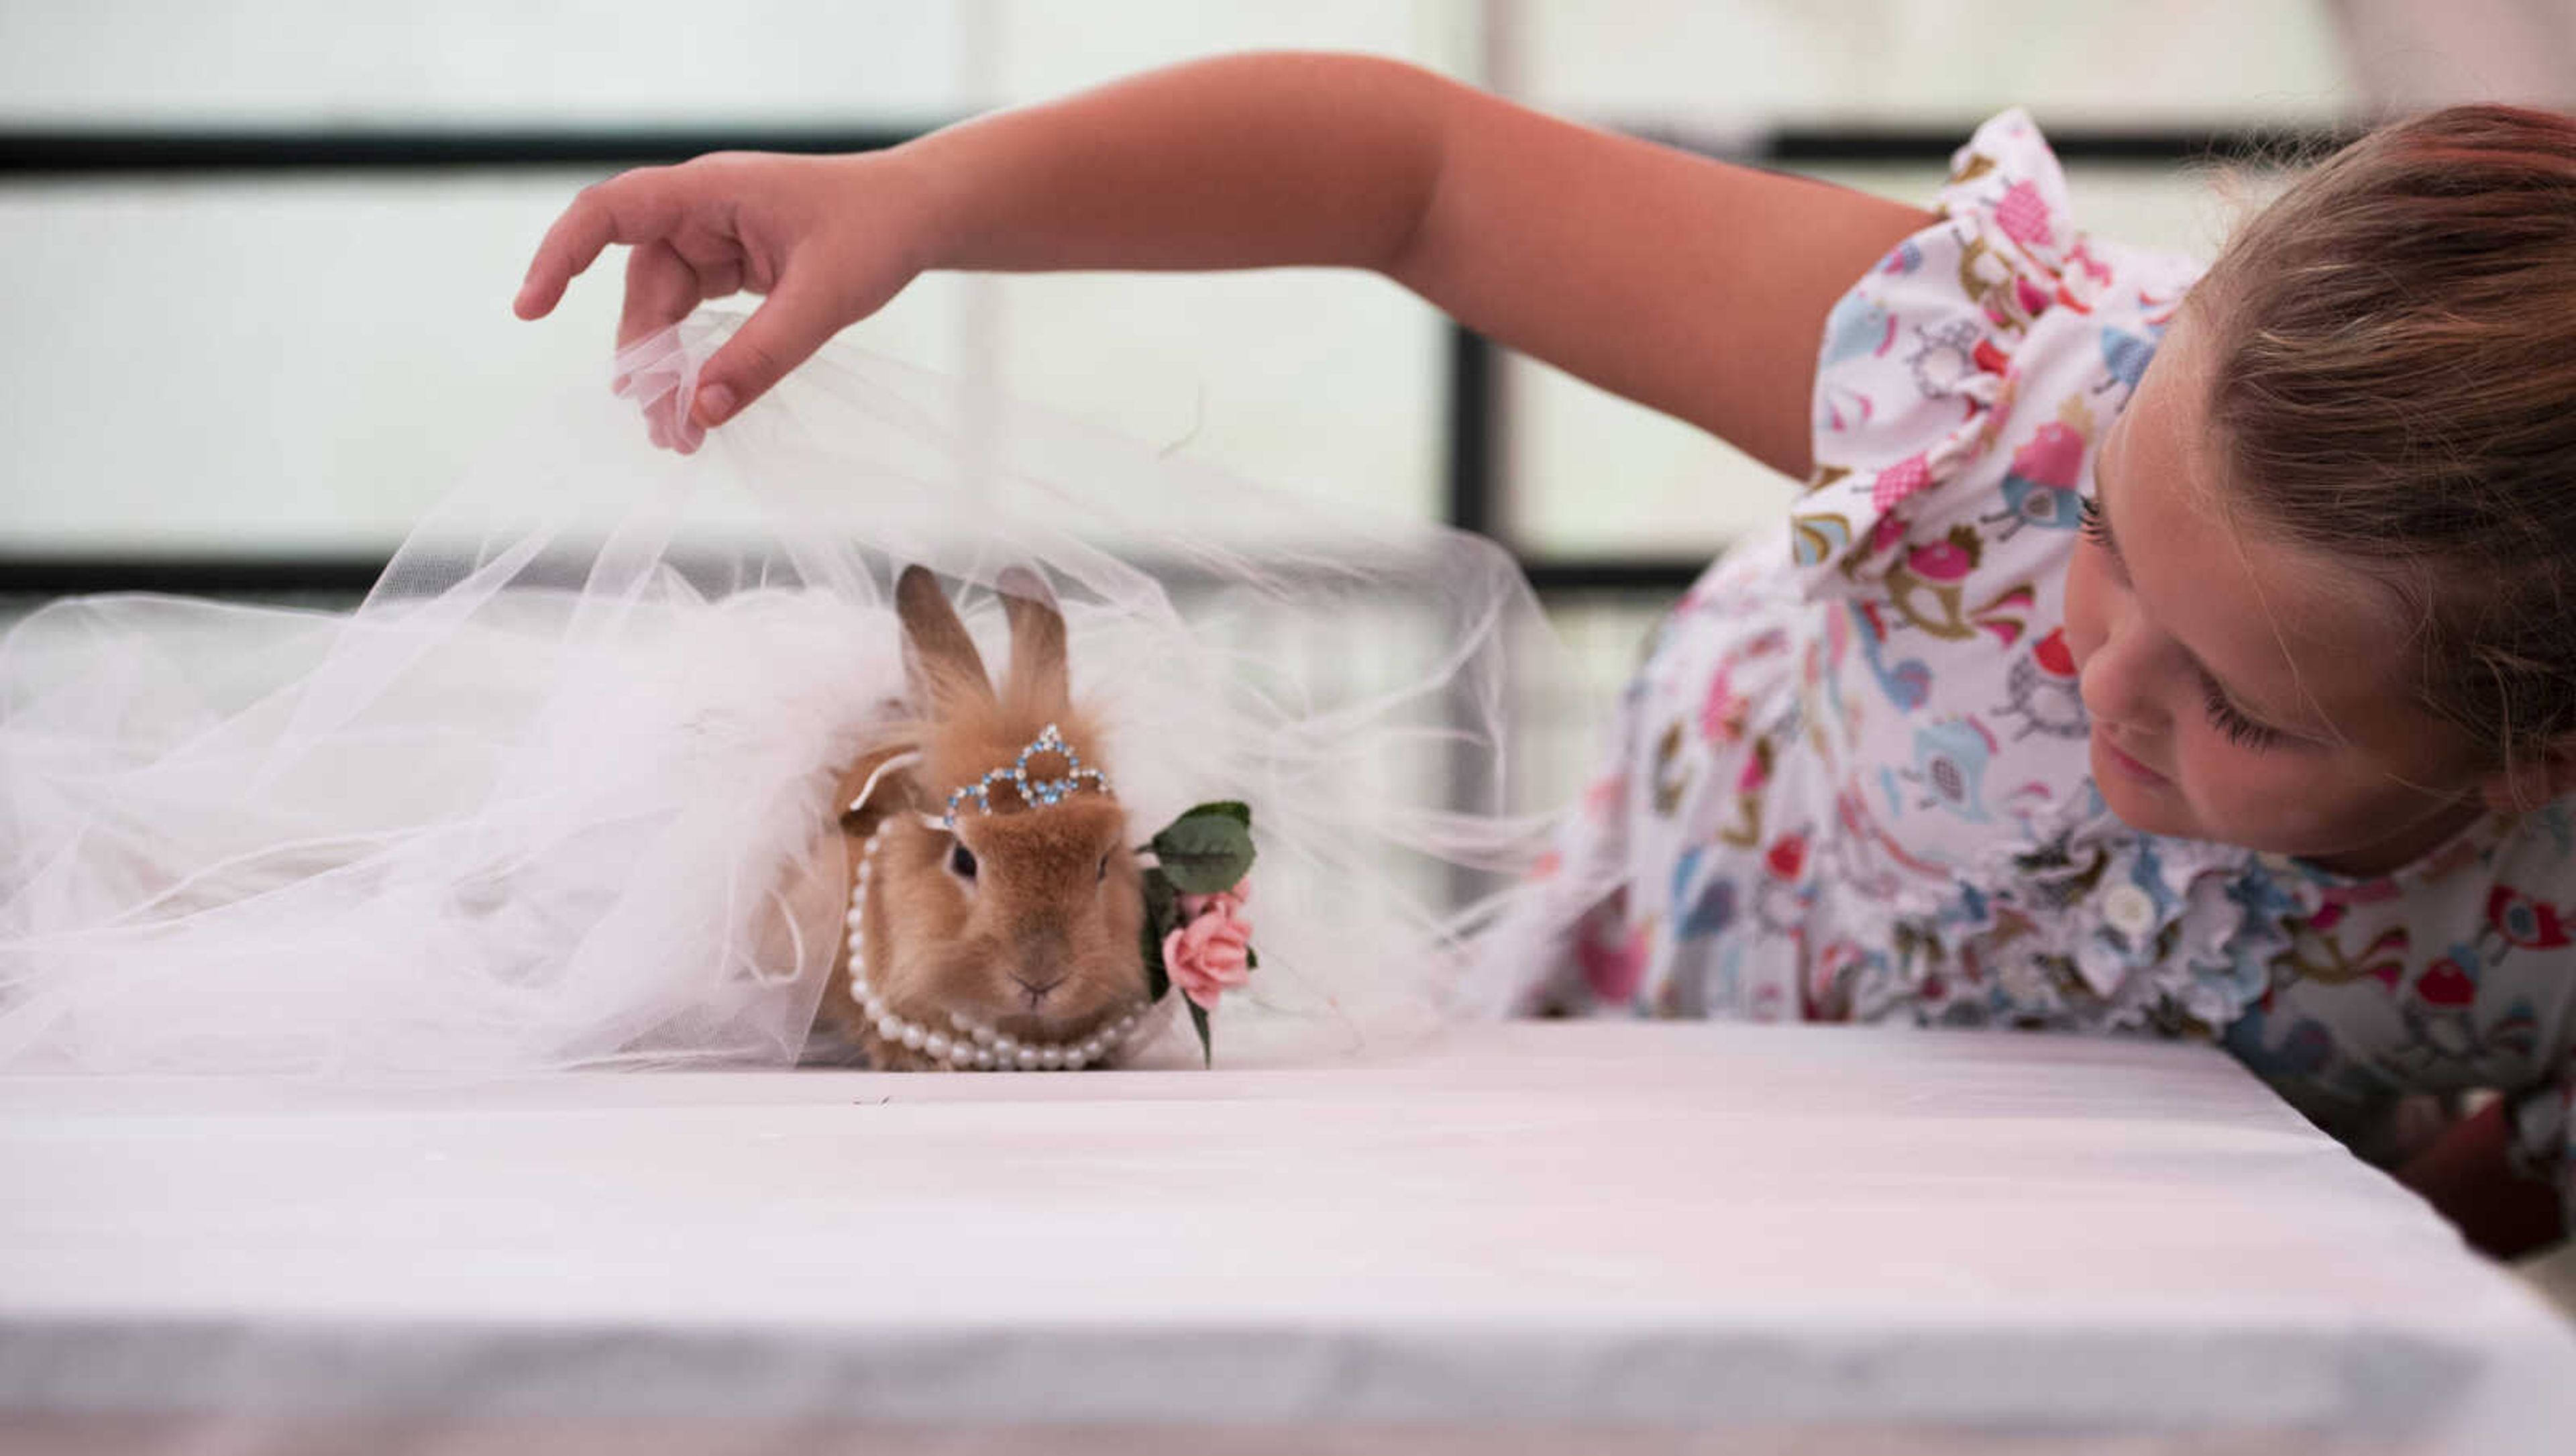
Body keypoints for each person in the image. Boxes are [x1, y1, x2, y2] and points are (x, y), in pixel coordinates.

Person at [515, 54, 2576, 1257]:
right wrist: (922, 199)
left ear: (2524, 766)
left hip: (2115, 1259)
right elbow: (1416, 176)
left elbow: (2484, 1205)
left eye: (2235, 705)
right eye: (2114, 525)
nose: (2092, 652)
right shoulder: (2007, 384)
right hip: (1674, 1003)